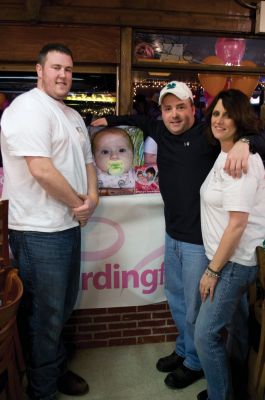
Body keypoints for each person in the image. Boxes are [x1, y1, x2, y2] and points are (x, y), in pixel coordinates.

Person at [91, 81, 265, 390]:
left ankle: (196, 363)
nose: (173, 115)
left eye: (180, 107)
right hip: (172, 234)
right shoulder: (159, 130)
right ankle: (186, 351)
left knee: (195, 307)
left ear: (193, 109)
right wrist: (107, 120)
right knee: (177, 300)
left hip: (200, 241)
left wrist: (247, 142)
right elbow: (138, 120)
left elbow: (253, 136)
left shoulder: (208, 135)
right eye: (168, 108)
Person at [0, 43, 99, 400]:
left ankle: (54, 372)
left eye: (69, 70)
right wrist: (78, 204)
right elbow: (40, 169)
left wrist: (93, 196)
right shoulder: (27, 109)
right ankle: (42, 391)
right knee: (44, 316)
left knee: (61, 307)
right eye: (56, 67)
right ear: (39, 70)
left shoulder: (70, 115)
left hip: (68, 225)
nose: (63, 75)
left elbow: (88, 161)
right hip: (38, 231)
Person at [195, 89, 265, 400]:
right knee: (234, 332)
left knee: (205, 336)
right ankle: (233, 389)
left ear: (241, 119)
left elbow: (237, 225)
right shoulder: (226, 153)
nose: (220, 120)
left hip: (232, 264)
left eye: (227, 114)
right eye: (216, 113)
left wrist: (212, 271)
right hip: (227, 260)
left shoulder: (240, 161)